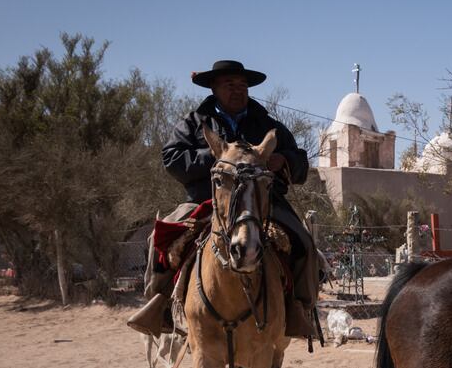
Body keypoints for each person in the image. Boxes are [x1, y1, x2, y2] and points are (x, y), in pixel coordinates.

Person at [127, 59, 318, 339]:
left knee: (303, 242)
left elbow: (301, 163)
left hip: (263, 202)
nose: (238, 90)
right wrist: (218, 156)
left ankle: (299, 309)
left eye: (242, 85)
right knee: (161, 237)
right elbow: (171, 158)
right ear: (214, 88)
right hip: (205, 200)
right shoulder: (194, 122)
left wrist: (282, 160)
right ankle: (159, 305)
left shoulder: (266, 123)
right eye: (230, 85)